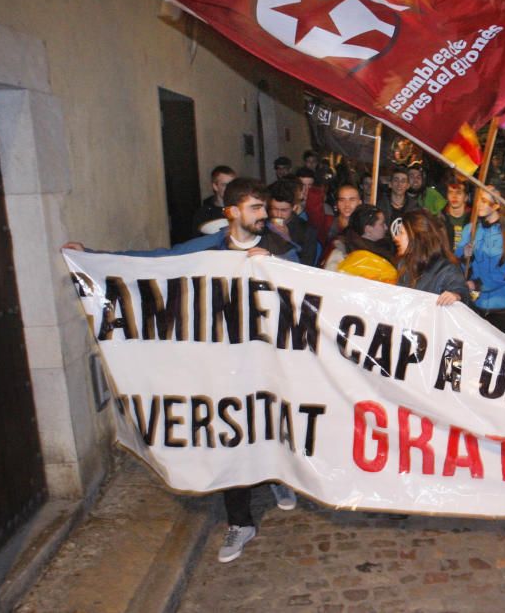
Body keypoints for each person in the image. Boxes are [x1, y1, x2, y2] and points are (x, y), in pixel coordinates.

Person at [63, 177, 299, 563]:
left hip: (269, 361)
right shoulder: (205, 249)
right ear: (233, 212)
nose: (264, 215)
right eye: (256, 208)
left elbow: (311, 289)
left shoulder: (282, 249)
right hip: (223, 365)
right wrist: (92, 256)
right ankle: (241, 521)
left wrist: (275, 267)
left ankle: (277, 477)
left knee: (270, 422)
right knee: (232, 436)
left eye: (265, 207)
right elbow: (153, 262)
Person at [458, 187, 505, 331]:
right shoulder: (470, 229)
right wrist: (464, 256)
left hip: (502, 307)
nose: (479, 204)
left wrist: (477, 283)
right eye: (478, 199)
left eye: (484, 200)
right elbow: (459, 262)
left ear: (496, 205)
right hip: (475, 305)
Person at [393, 209, 469, 305]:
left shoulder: (446, 270)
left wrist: (455, 295)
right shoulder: (403, 265)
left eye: (401, 233)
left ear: (416, 237)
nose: (396, 238)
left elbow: (461, 291)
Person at [333, 204, 398, 284]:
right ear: (368, 230)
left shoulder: (382, 247)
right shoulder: (343, 254)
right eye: (382, 224)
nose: (386, 227)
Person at [267, 179, 319, 266]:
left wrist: (287, 241)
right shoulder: (263, 225)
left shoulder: (307, 231)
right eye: (274, 209)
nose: (278, 215)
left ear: (294, 207)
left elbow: (307, 266)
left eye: (284, 210)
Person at [192, 165, 235, 235]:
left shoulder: (241, 208)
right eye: (225, 185)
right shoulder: (204, 214)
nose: (230, 188)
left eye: (233, 184)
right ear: (215, 186)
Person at [440, 174, 471, 252]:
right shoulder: (440, 219)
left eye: (459, 193)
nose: (454, 196)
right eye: (451, 192)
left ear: (466, 197)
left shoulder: (473, 219)